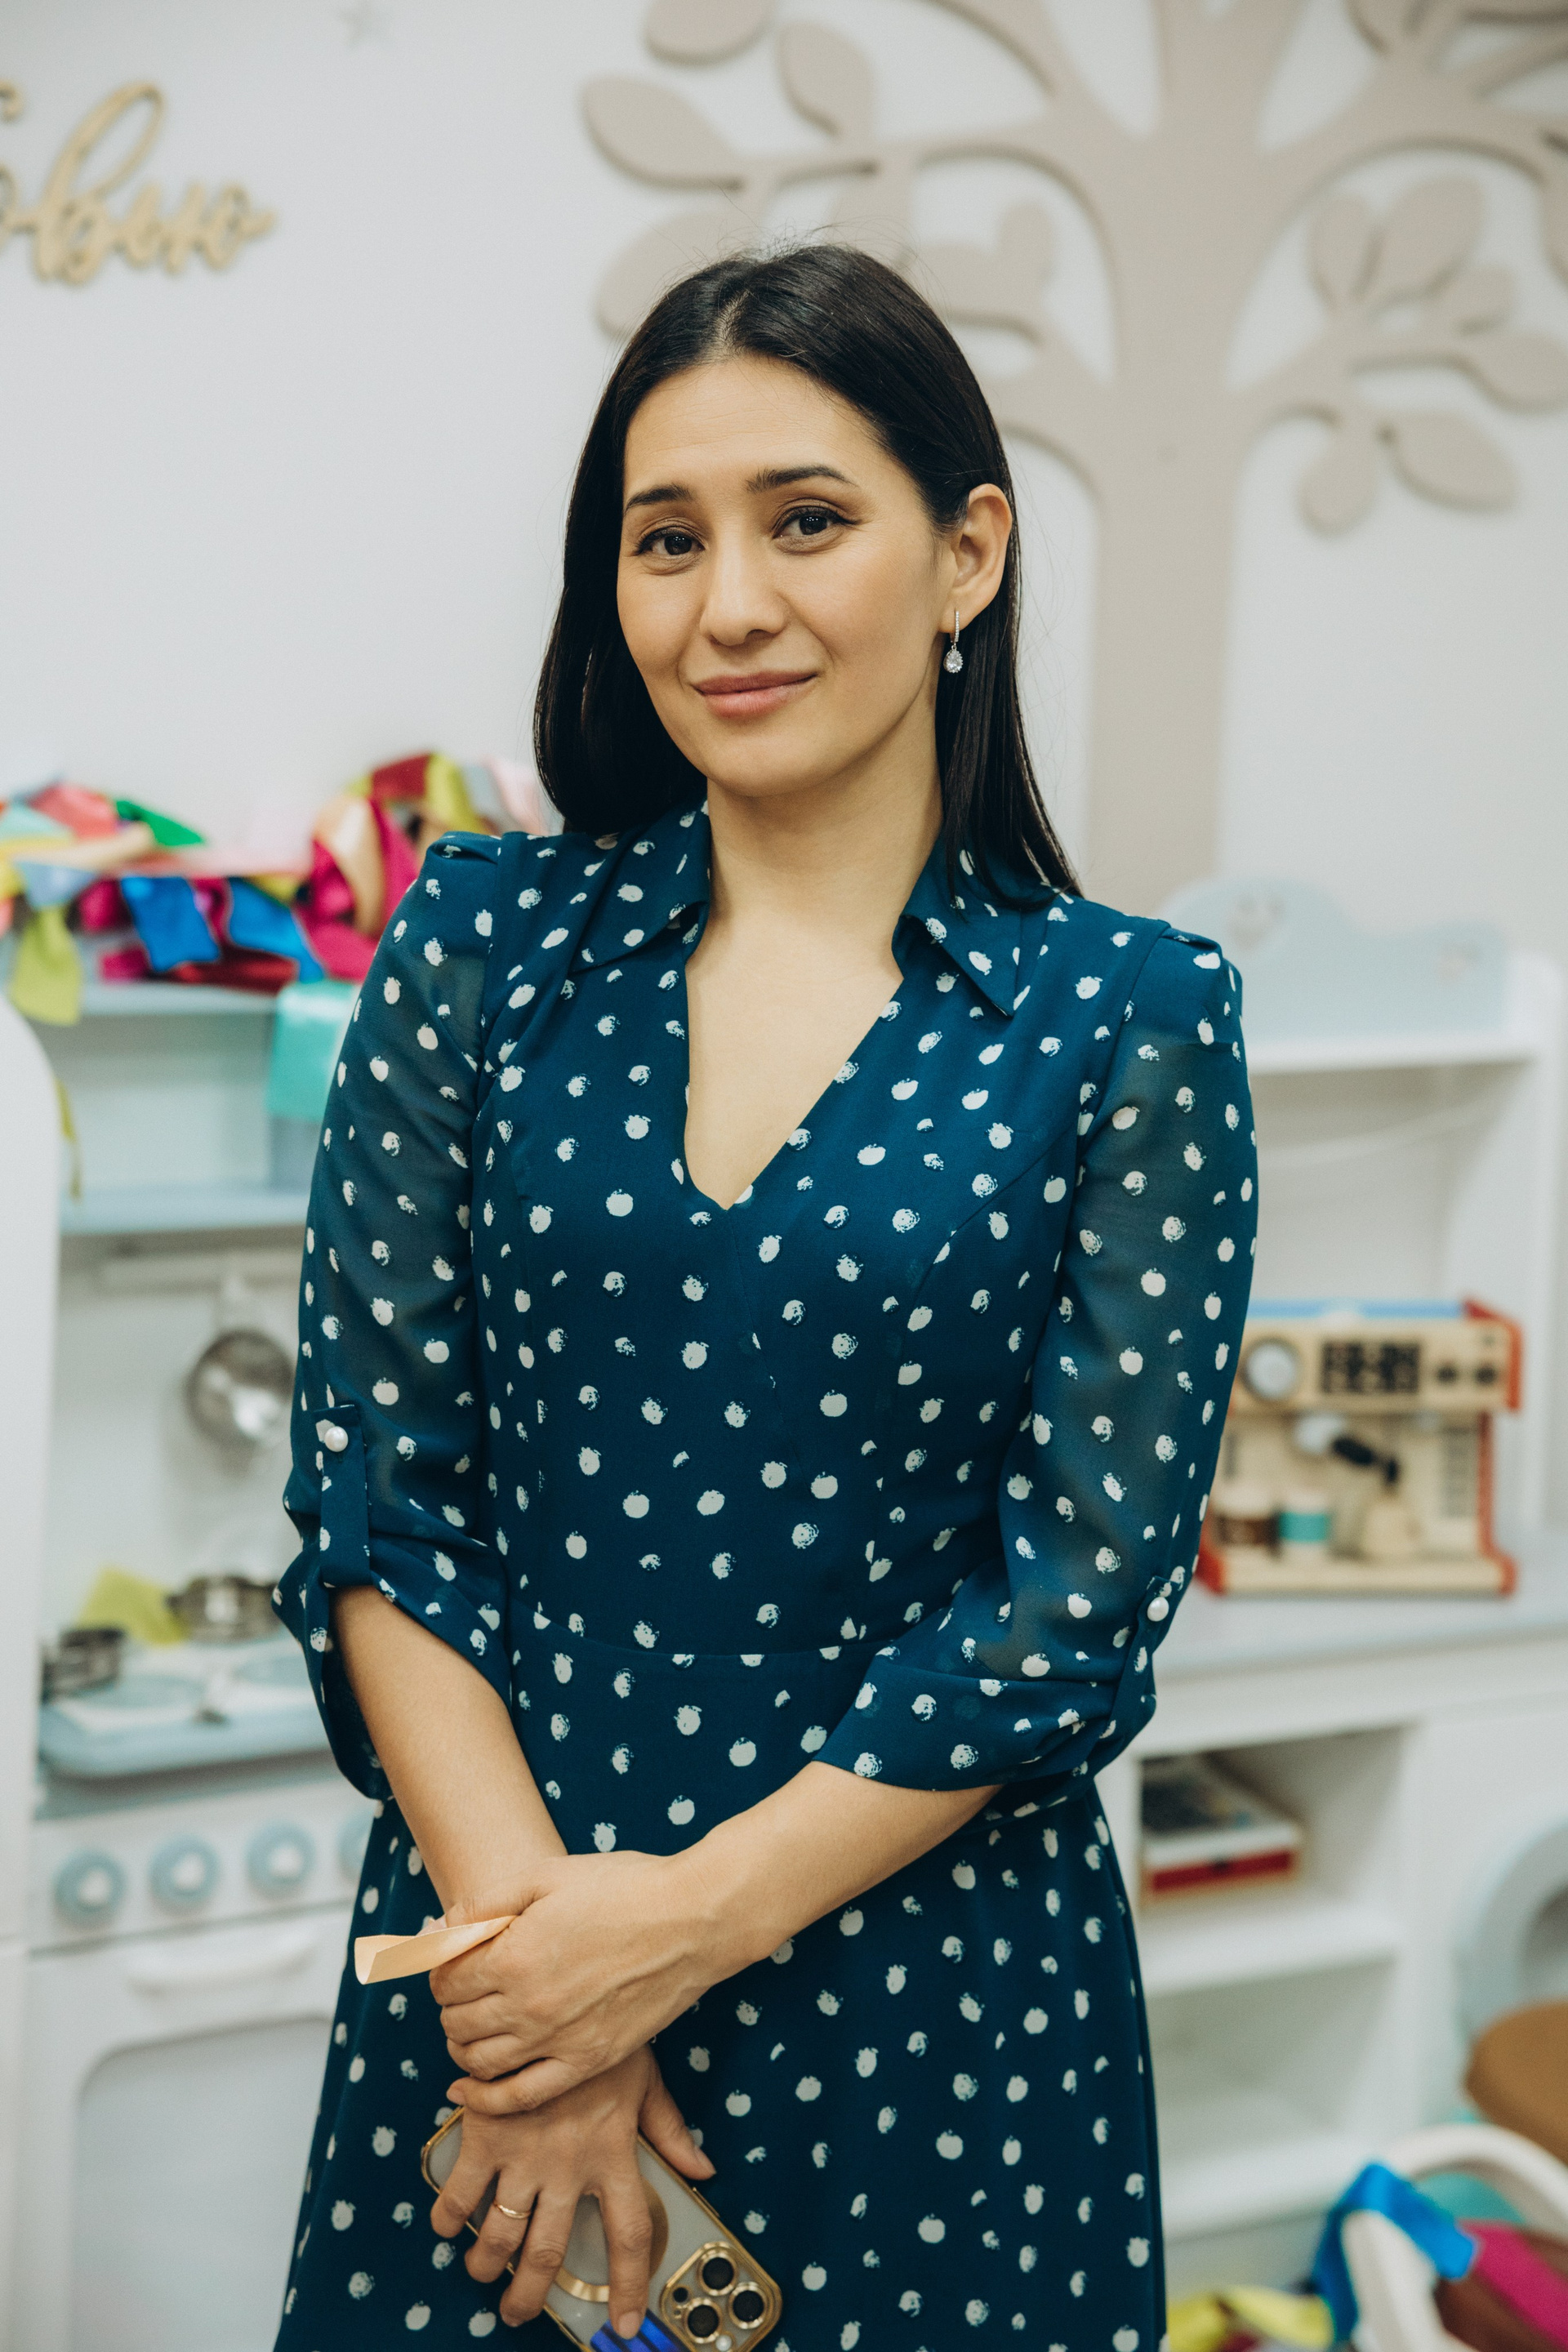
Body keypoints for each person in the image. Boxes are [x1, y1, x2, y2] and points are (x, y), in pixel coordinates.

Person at [274, 242, 1257, 2352]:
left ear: (967, 550)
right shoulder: (481, 947)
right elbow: (374, 1496)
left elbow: (1074, 1608)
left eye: (806, 519)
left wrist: (666, 1939)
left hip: (928, 2005)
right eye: (666, 538)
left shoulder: (1125, 1019)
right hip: (497, 1972)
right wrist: (548, 1986)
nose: (727, 603)